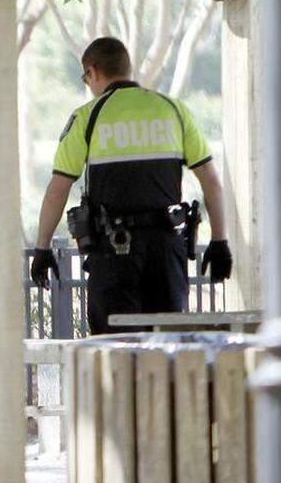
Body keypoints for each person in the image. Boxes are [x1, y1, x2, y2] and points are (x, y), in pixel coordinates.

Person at [30, 37, 233, 334]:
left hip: (113, 254)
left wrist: (42, 247)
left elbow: (59, 188)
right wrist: (219, 242)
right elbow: (211, 181)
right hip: (166, 251)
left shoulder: (88, 117)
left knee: (114, 351)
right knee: (167, 347)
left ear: (93, 71)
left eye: (86, 78)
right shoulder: (173, 110)